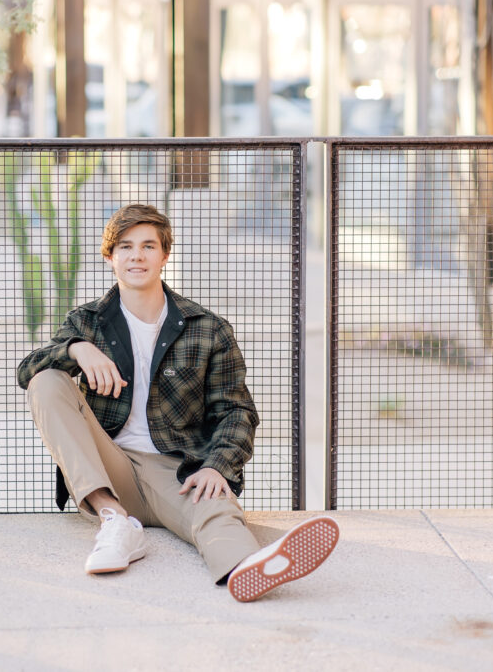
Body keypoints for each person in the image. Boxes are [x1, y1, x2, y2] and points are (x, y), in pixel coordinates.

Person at [17, 203, 339, 602]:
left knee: (215, 510)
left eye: (148, 246)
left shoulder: (207, 328)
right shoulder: (87, 322)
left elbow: (237, 411)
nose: (137, 256)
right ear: (110, 257)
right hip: (109, 466)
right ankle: (114, 519)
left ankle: (249, 568)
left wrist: (218, 466)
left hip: (177, 471)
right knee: (47, 380)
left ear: (165, 255)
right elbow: (28, 370)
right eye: (125, 246)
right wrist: (78, 349)